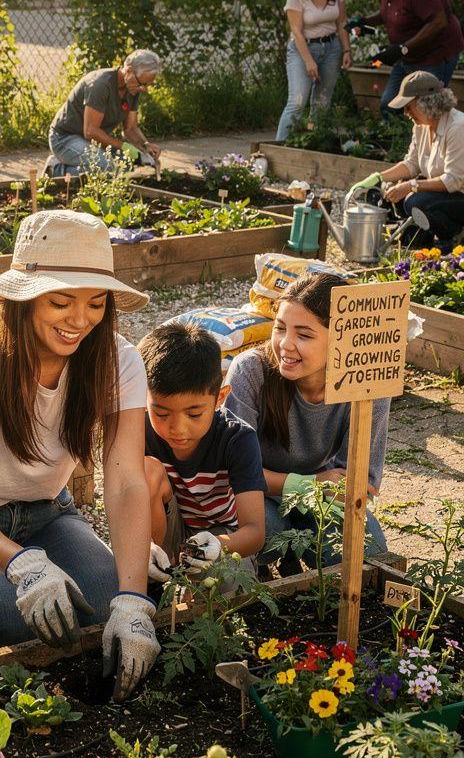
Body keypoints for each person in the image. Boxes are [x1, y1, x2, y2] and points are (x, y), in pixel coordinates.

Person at [0, 209, 157, 700]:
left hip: (47, 514)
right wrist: (24, 568)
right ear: (22, 298)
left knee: (105, 606)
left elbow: (126, 482)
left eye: (96, 303)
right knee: (3, 619)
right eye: (60, 302)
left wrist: (134, 601)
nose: (80, 320)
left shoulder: (118, 359)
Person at [224, 272, 389, 568]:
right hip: (257, 496)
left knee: (368, 551)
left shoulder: (366, 384)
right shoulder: (250, 371)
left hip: (321, 502)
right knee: (264, 532)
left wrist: (337, 488)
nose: (285, 344)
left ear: (339, 340)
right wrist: (311, 483)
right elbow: (234, 472)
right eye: (280, 328)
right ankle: (274, 563)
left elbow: (359, 483)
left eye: (304, 335)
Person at [139, 322, 265, 583]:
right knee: (147, 470)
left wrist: (219, 545)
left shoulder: (237, 439)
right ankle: (156, 570)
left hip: (221, 534)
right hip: (167, 532)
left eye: (194, 414)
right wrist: (145, 547)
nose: (177, 428)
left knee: (226, 581)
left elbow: (254, 533)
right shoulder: (140, 430)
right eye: (161, 413)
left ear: (220, 398)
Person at [352, 72, 464, 252]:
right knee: (394, 191)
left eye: (409, 107)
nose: (405, 113)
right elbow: (412, 164)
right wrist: (378, 178)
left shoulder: (458, 127)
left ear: (428, 103)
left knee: (414, 201)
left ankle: (453, 235)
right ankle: (423, 234)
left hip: (459, 194)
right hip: (447, 194)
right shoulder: (421, 126)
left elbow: (453, 180)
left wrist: (411, 186)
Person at [354, 0, 463, 113]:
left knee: (429, 109)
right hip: (407, 56)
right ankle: (404, 130)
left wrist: (402, 49)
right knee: (389, 106)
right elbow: (389, 13)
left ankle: (441, 130)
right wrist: (363, 21)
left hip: (433, 56)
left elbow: (438, 22)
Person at [275, 0, 352, 143]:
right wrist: (309, 61)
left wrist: (346, 50)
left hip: (332, 48)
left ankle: (312, 144)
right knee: (297, 102)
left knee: (322, 102)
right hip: (303, 49)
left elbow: (342, 22)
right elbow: (297, 32)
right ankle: (278, 148)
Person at [48, 50, 162, 177]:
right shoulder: (100, 84)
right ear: (129, 70)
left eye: (147, 85)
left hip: (93, 142)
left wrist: (145, 146)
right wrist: (123, 147)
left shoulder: (133, 89)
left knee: (126, 165)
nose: (144, 89)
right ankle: (56, 168)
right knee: (106, 167)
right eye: (142, 84)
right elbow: (90, 131)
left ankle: (72, 164)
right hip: (65, 138)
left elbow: (130, 128)